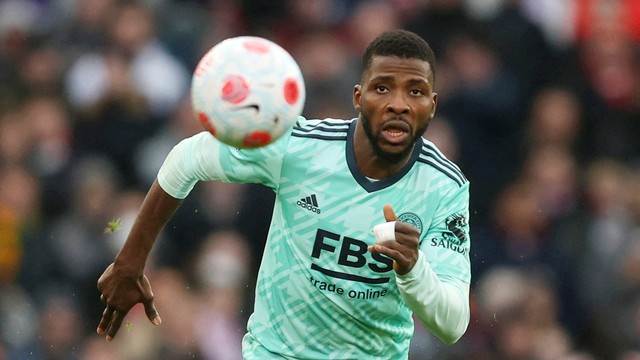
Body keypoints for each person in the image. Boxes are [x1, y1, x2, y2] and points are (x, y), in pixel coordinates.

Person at [96, 29, 471, 359]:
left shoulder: (444, 188)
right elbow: (187, 158)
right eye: (383, 87)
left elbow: (452, 324)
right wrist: (131, 259)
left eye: (416, 91)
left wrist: (412, 269)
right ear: (358, 97)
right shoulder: (299, 148)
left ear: (432, 106)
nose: (399, 103)